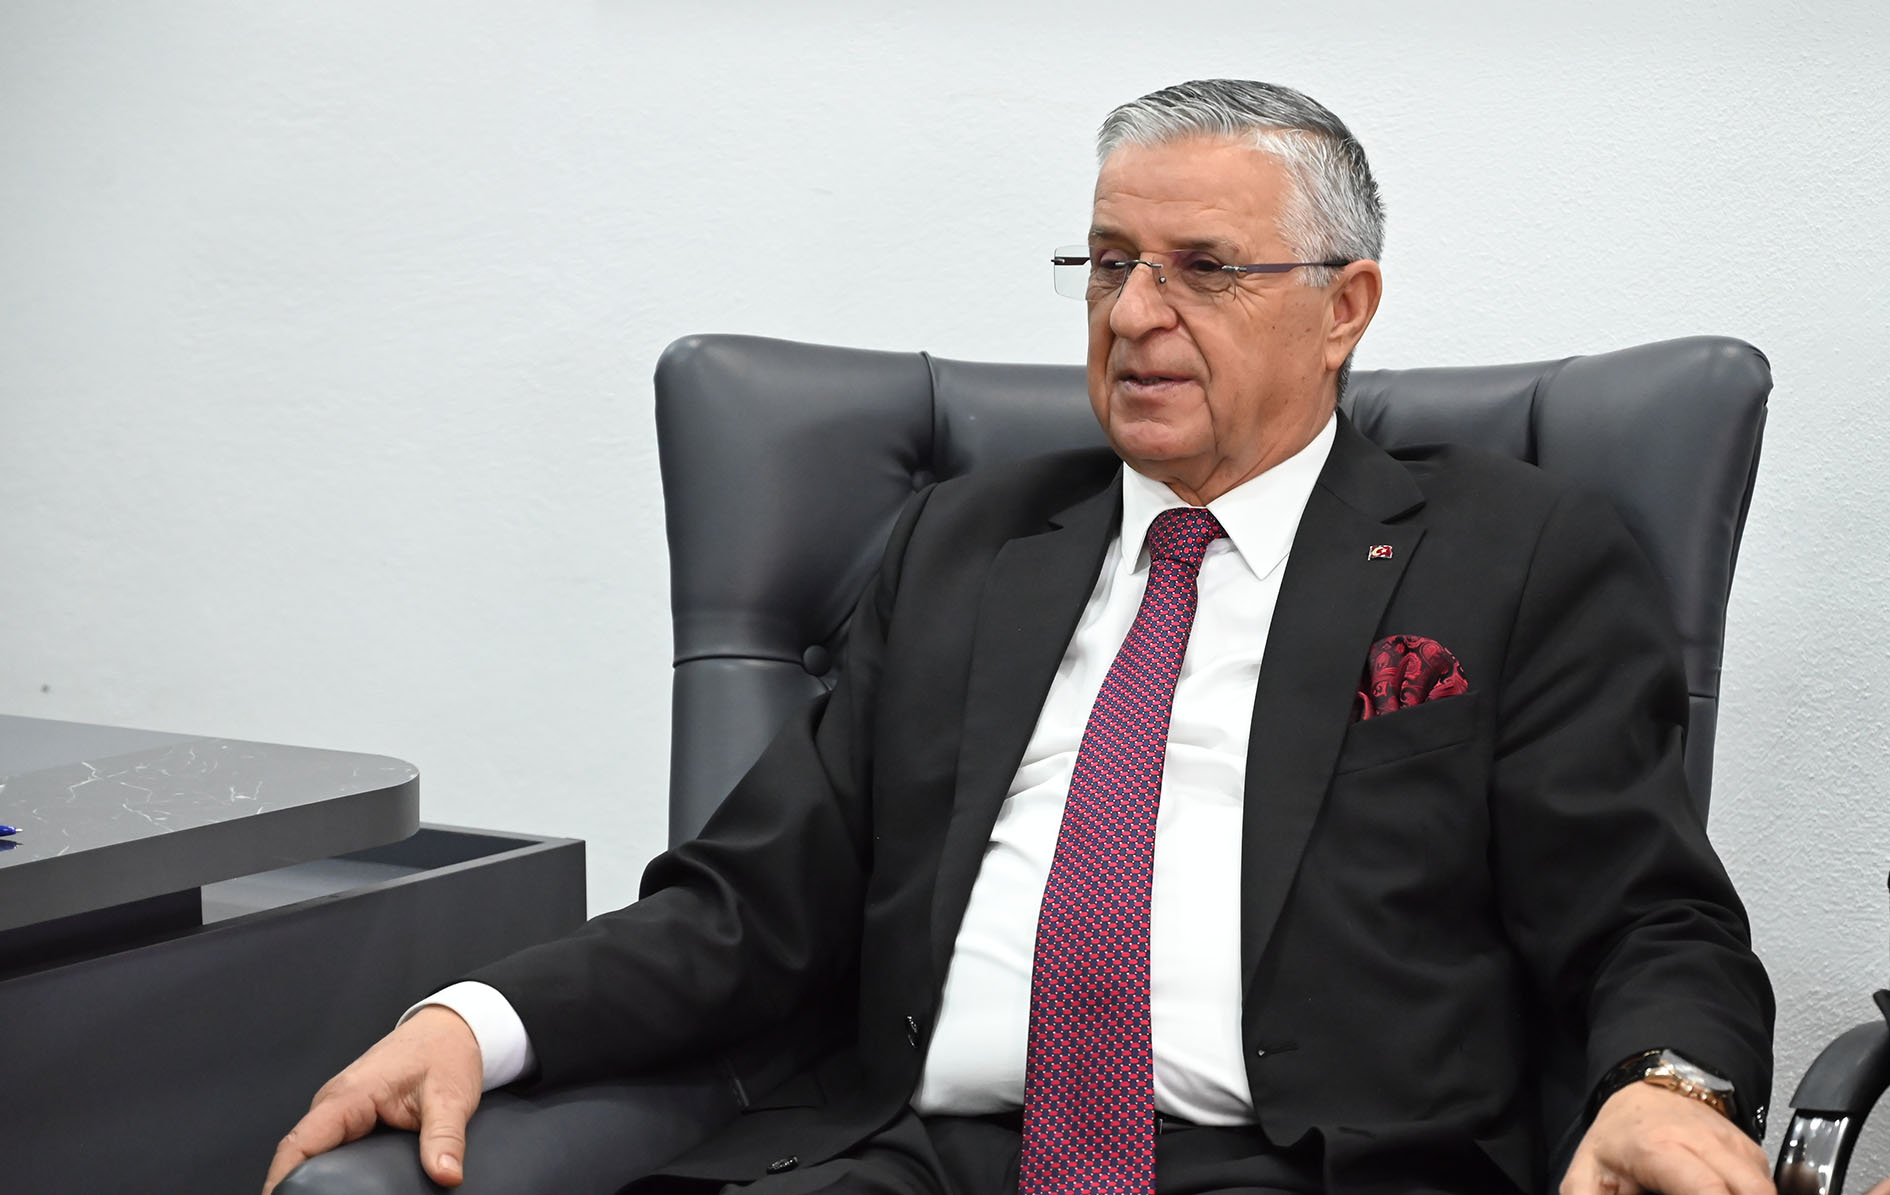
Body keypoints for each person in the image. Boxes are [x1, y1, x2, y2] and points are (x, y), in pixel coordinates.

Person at [266, 80, 1774, 1195]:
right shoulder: (967, 545)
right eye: (1109, 263)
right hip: (919, 1158)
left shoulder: (1512, 554)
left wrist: (1669, 1085)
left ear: (1344, 308)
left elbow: (1645, 912)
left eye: (1202, 268)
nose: (1133, 314)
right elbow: (751, 905)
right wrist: (476, 1019)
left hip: (1303, 1165)